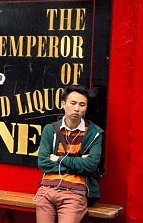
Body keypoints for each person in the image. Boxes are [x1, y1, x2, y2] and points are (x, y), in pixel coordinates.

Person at [34, 85, 104, 223]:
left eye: (82, 105)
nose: (77, 109)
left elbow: (90, 165)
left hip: (74, 193)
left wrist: (58, 159)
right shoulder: (50, 130)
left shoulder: (95, 133)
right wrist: (78, 162)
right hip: (46, 191)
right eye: (73, 103)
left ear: (86, 108)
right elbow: (43, 163)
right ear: (63, 104)